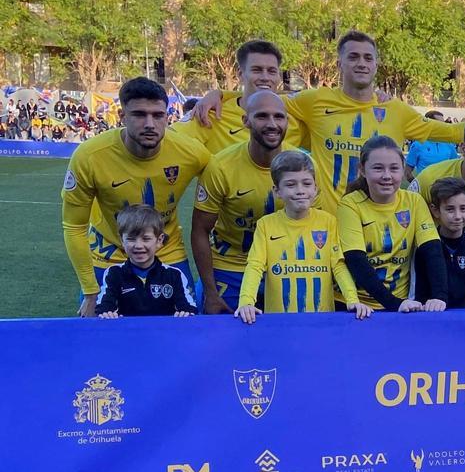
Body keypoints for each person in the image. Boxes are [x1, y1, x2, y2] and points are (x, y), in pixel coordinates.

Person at [192, 31, 461, 210]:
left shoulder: (396, 110)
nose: (361, 63)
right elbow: (261, 99)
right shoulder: (314, 100)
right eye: (353, 56)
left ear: (377, 65)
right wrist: (221, 94)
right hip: (324, 221)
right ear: (339, 63)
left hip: (373, 220)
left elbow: (442, 131)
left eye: (368, 58)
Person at [63, 77, 211, 317]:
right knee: (101, 337)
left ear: (167, 116)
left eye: (158, 115)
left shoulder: (190, 152)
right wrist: (90, 291)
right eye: (139, 115)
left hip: (167, 251)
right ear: (122, 117)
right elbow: (73, 226)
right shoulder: (90, 156)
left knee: (183, 331)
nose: (150, 124)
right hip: (109, 253)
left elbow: (222, 178)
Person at [236, 151, 372, 323]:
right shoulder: (266, 225)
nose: (300, 191)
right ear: (277, 191)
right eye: (291, 185)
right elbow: (254, 266)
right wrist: (246, 302)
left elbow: (338, 265)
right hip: (279, 322)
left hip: (321, 322)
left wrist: (352, 300)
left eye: (307, 183)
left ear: (315, 188)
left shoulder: (328, 222)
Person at [191, 90, 293, 314]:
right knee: (221, 342)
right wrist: (210, 292)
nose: (272, 124)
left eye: (279, 117)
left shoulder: (301, 164)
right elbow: (199, 230)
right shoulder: (221, 166)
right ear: (245, 121)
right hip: (231, 268)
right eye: (262, 116)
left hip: (284, 267)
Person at [337, 135, 448, 313]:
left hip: (400, 304)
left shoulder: (414, 201)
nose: (387, 176)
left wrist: (440, 296)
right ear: (362, 170)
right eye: (378, 168)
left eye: (394, 168)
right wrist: (394, 304)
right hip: (357, 306)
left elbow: (432, 251)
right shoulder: (350, 204)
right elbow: (356, 261)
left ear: (403, 170)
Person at [172, 40, 300, 153]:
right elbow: (168, 140)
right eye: (257, 70)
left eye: (272, 71)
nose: (265, 78)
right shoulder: (211, 114)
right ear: (240, 74)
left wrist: (221, 93)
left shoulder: (296, 118)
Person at [95, 205, 198, 318]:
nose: (138, 246)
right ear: (122, 241)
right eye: (131, 239)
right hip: (127, 334)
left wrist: (186, 313)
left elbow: (189, 308)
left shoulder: (174, 275)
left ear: (159, 240)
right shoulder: (114, 273)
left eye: (146, 239)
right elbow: (104, 306)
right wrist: (106, 313)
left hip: (164, 334)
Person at [424, 178, 465, 309]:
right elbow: (417, 291)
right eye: (450, 209)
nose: (458, 216)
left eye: (463, 208)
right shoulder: (425, 246)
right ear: (435, 210)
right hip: (434, 316)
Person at [404, 110, 460, 182]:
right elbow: (407, 173)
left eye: (444, 124)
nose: (444, 127)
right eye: (440, 124)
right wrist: (420, 186)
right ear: (429, 125)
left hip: (445, 191)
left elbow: (457, 169)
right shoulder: (418, 145)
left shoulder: (449, 145)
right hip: (424, 192)